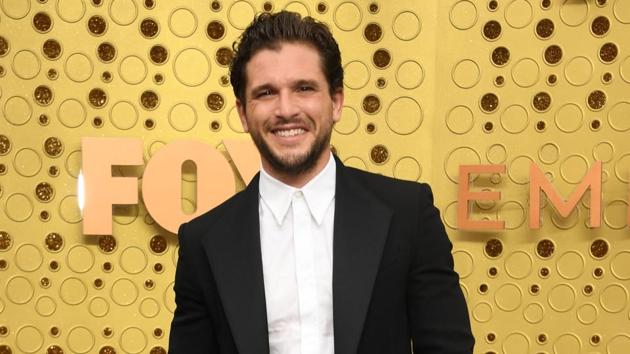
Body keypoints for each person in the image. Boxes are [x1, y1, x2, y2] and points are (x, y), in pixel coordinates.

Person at [169, 10, 474, 354]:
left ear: (336, 101)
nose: (286, 109)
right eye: (266, 93)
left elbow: (448, 346)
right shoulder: (203, 242)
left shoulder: (408, 214)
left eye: (304, 88)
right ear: (242, 113)